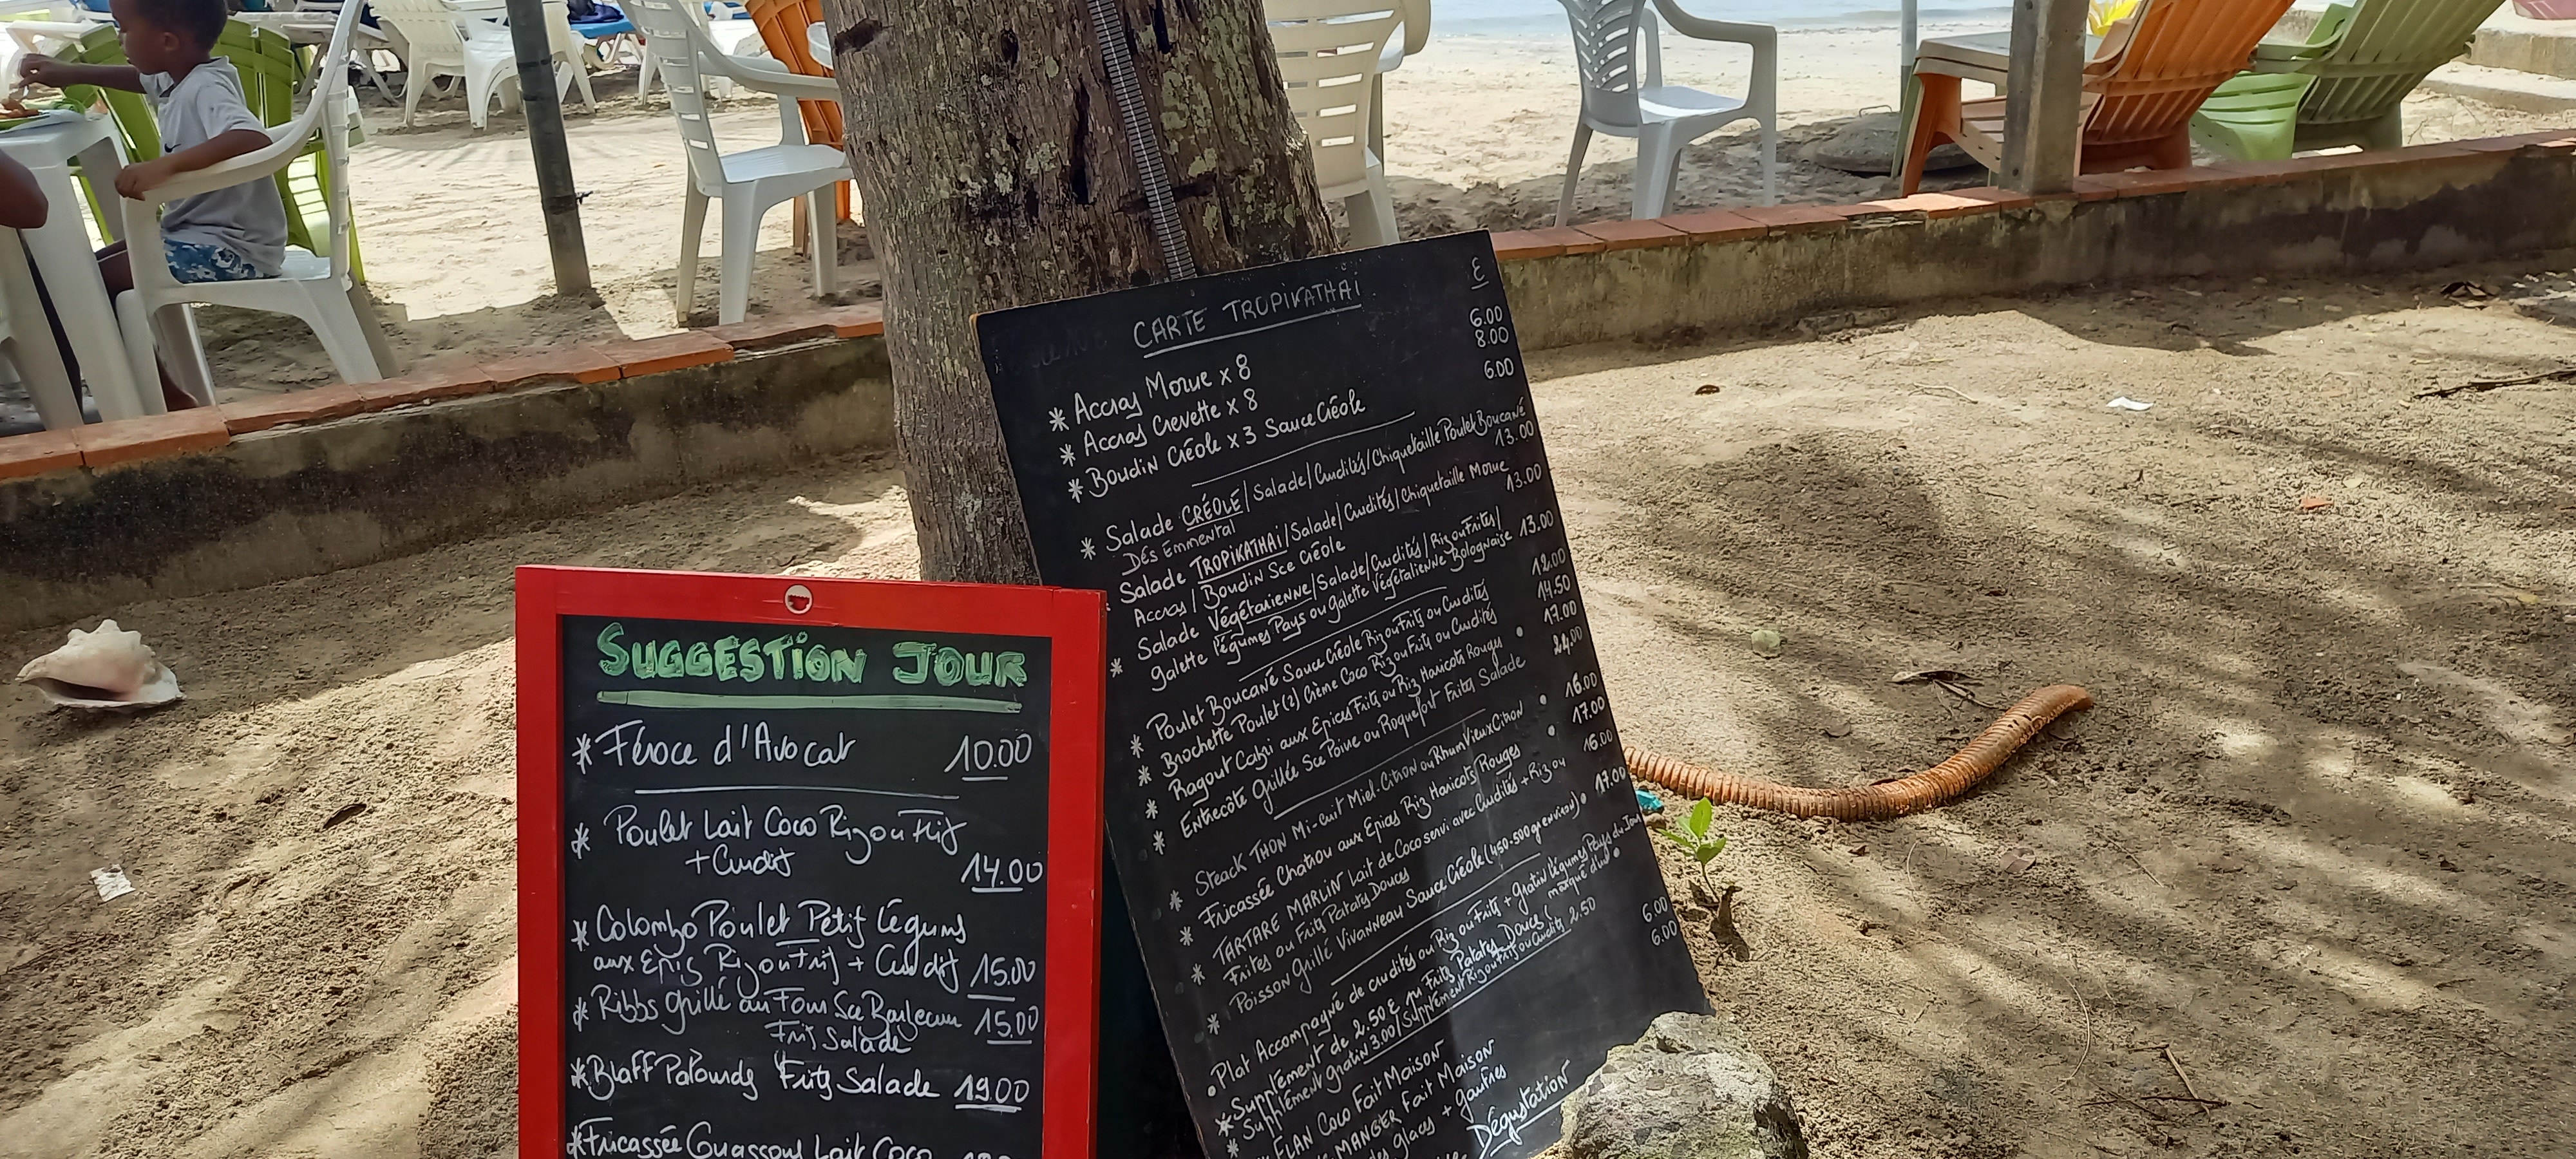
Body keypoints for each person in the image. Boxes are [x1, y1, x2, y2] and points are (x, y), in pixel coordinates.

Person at [12, 0, 285, 410]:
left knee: (86, 284)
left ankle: (142, 399)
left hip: (231, 251)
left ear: (168, 42)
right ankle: (88, 396)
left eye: (123, 28)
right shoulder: (182, 76)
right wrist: (69, 73)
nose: (119, 38)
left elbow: (251, 137)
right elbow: (142, 80)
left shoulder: (206, 87)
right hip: (201, 239)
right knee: (71, 276)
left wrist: (165, 166)